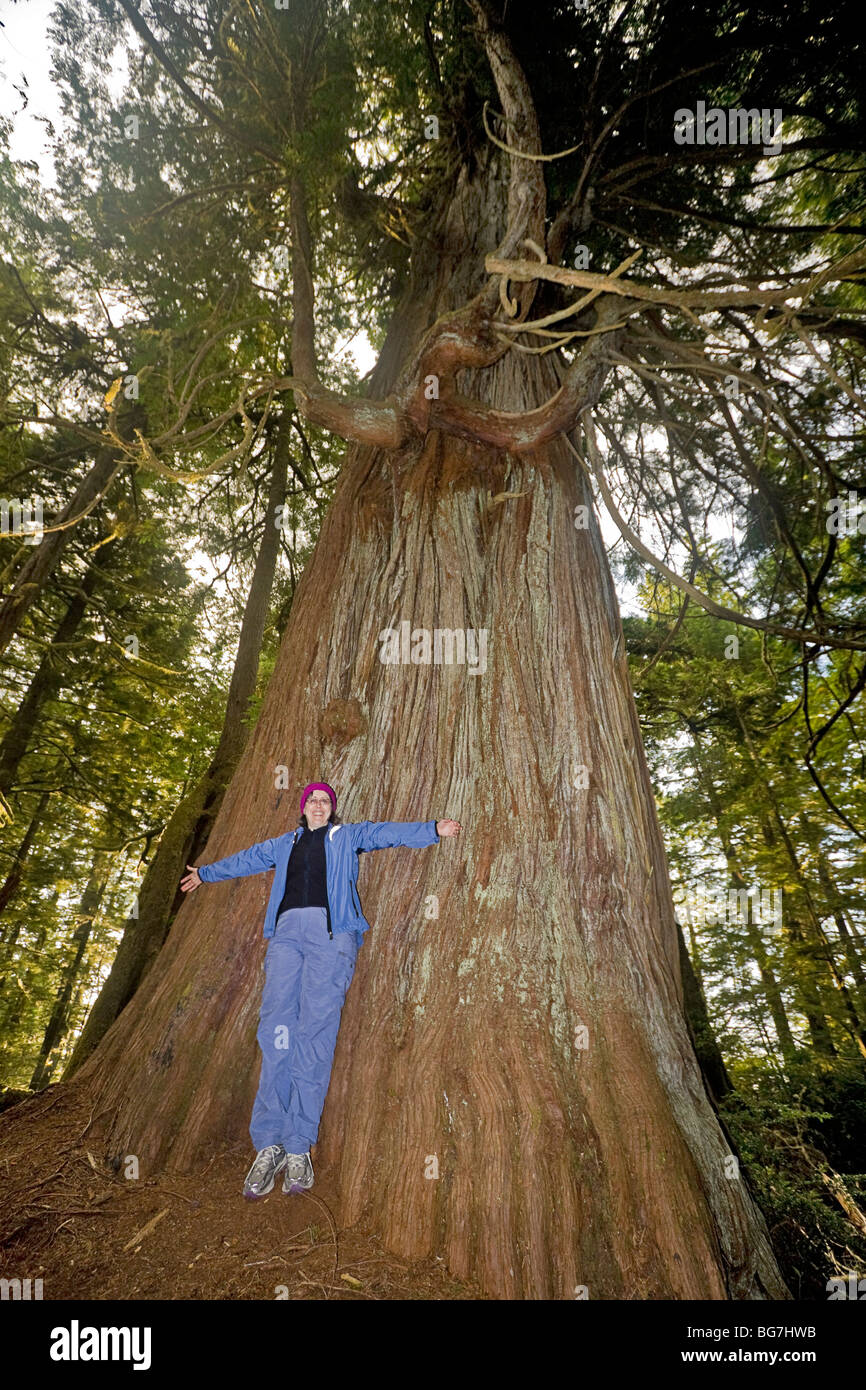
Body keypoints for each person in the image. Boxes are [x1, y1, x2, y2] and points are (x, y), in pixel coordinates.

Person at [180, 783, 460, 1199]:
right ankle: (269, 1143)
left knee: (315, 1035)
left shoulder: (347, 837)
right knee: (276, 1033)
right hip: (286, 939)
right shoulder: (283, 844)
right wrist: (205, 873)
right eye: (312, 799)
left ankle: (297, 1146)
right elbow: (247, 860)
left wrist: (432, 829)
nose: (318, 804)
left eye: (325, 801)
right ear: (302, 808)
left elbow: (385, 833)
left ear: (332, 810)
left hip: (332, 939)